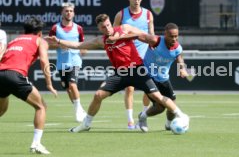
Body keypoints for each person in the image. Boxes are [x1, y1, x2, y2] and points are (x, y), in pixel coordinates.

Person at [44, 14, 189, 133]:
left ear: (110, 23)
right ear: (99, 28)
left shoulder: (124, 28)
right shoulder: (101, 41)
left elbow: (139, 35)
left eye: (108, 25)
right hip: (120, 73)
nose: (107, 28)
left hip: (138, 69)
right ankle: (86, 124)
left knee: (157, 97)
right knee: (98, 95)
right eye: (103, 27)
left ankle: (181, 116)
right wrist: (58, 41)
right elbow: (77, 45)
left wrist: (119, 37)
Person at [0, 16, 58, 154]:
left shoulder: (15, 40)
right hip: (15, 75)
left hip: (1, 73)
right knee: (41, 106)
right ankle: (36, 144)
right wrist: (49, 84)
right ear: (39, 32)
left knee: (1, 110)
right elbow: (44, 61)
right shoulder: (40, 40)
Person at [113, 0, 154, 129]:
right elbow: (114, 35)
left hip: (145, 56)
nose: (136, 1)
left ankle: (143, 115)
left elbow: (151, 35)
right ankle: (130, 121)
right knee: (129, 88)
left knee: (149, 89)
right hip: (128, 57)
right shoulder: (121, 15)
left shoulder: (148, 14)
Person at [137, 23, 189, 130]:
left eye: (176, 36)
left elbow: (179, 58)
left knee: (171, 105)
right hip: (148, 76)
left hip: (163, 79)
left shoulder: (177, 48)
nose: (174, 39)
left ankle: (169, 124)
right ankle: (142, 117)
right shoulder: (155, 41)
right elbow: (138, 36)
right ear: (165, 34)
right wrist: (122, 35)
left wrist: (182, 69)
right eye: (171, 36)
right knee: (160, 107)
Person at [49, 2, 86, 122]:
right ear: (62, 13)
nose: (68, 13)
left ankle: (78, 111)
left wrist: (83, 49)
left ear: (73, 13)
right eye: (66, 11)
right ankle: (78, 109)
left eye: (71, 11)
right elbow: (49, 44)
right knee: (68, 89)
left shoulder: (78, 28)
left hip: (75, 61)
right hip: (62, 63)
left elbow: (82, 44)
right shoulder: (55, 28)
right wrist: (59, 45)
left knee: (72, 84)